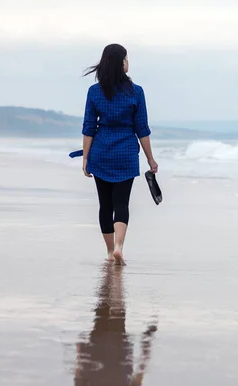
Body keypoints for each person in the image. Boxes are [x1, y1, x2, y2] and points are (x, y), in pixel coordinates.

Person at [81, 43, 158, 265]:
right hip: (125, 153)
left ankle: (108, 252)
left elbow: (89, 127)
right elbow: (141, 128)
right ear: (120, 62)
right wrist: (150, 159)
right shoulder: (137, 92)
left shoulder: (94, 92)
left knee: (105, 205)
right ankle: (119, 247)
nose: (128, 62)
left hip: (101, 153)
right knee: (121, 204)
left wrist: (86, 158)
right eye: (126, 58)